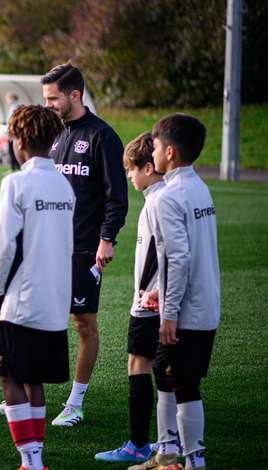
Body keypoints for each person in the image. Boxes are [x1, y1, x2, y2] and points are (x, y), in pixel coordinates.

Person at [0, 63, 124, 426]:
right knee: (31, 318)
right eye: (45, 98)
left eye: (53, 98)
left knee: (83, 323)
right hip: (47, 245)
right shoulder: (52, 134)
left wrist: (107, 239)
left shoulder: (102, 136)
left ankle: (75, 402)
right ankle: (21, 396)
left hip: (84, 248)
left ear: (74, 95)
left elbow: (117, 197)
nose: (47, 104)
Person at [0, 104, 74, 470]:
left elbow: (5, 246)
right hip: (55, 299)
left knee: (8, 377)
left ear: (19, 142)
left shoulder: (15, 182)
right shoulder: (64, 184)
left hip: (21, 301)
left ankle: (31, 460)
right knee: (34, 378)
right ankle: (35, 459)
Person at [130, 114, 219, 470]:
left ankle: (193, 460)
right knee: (167, 376)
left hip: (186, 309)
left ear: (169, 151)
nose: (151, 153)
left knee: (183, 384)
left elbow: (177, 258)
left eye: (153, 146)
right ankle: (167, 452)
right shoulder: (199, 187)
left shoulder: (168, 196)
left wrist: (168, 312)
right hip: (204, 301)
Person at [94, 132, 165, 464]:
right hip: (160, 299)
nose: (128, 176)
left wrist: (149, 293)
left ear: (149, 167)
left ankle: (139, 443)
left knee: (139, 364)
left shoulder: (157, 202)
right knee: (164, 369)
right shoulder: (165, 195)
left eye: (131, 169)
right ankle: (169, 442)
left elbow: (165, 254)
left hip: (150, 303)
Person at [5, 93, 20, 171]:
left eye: (8, 98)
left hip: (13, 133)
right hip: (14, 132)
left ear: (13, 99)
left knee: (13, 151)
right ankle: (14, 167)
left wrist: (10, 133)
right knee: (13, 151)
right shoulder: (14, 107)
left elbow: (12, 121)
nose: (7, 100)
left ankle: (14, 168)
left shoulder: (14, 107)